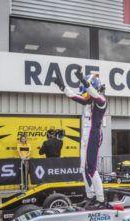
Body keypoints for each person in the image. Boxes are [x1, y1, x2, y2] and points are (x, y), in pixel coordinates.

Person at [54, 68, 107, 209]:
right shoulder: (87, 102)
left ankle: (100, 200)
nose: (84, 95)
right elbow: (73, 95)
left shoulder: (101, 101)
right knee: (83, 168)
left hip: (94, 135)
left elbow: (93, 93)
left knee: (92, 169)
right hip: (85, 136)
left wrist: (84, 80)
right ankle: (90, 197)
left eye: (85, 91)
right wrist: (62, 86)